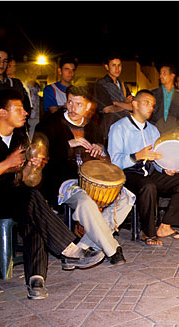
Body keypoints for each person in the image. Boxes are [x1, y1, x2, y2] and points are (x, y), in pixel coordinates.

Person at [0, 89, 105, 299]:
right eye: (18, 109)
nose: (25, 112)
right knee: (30, 200)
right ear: (1, 112)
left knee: (32, 211)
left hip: (14, 196)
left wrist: (32, 167)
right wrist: (6, 164)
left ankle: (36, 281)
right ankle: (69, 250)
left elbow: (25, 180)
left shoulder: (19, 136)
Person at [37, 85, 134, 265]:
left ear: (88, 106)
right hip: (62, 181)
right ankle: (112, 248)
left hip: (91, 181)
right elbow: (39, 155)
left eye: (79, 104)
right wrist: (68, 144)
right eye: (70, 102)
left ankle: (83, 247)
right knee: (84, 201)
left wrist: (101, 150)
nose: (73, 108)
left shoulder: (93, 127)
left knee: (126, 197)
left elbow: (105, 160)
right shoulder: (50, 123)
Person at [108, 90, 179, 246]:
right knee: (147, 185)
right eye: (146, 103)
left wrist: (165, 168)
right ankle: (148, 232)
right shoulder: (119, 127)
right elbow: (114, 162)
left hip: (149, 173)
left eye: (152, 105)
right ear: (134, 104)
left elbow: (157, 159)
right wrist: (136, 156)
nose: (150, 107)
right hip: (128, 174)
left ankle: (165, 226)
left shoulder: (153, 130)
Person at [93, 54, 133, 143]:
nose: (117, 68)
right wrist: (125, 104)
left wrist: (116, 103)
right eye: (113, 65)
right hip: (109, 129)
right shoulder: (101, 84)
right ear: (107, 67)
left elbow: (132, 106)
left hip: (125, 128)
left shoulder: (122, 84)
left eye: (119, 65)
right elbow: (106, 109)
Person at [150, 64, 179, 133]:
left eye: (164, 73)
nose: (161, 76)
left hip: (172, 135)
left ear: (172, 76)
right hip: (154, 133)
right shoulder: (153, 94)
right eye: (160, 73)